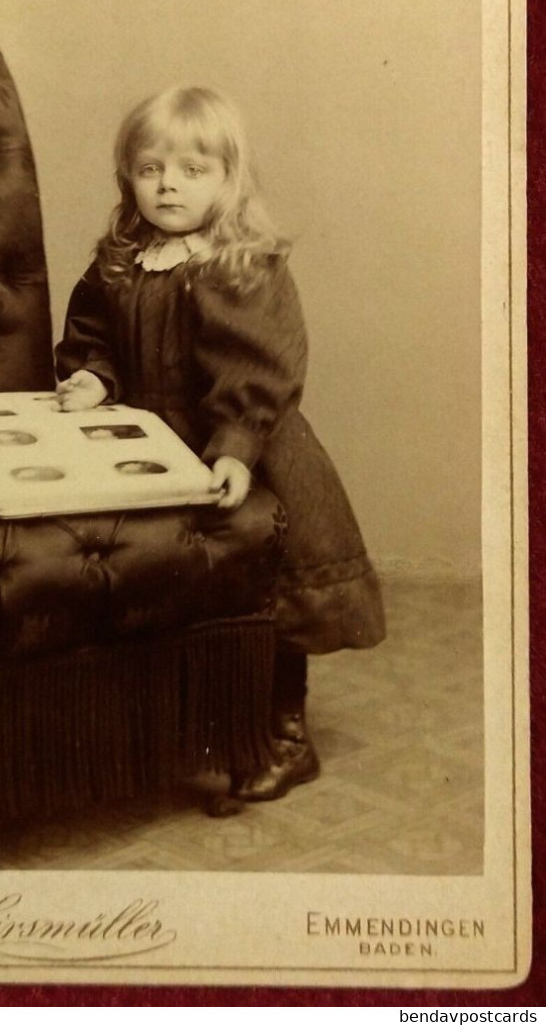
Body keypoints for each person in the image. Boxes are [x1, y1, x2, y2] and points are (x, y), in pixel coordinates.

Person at [54, 86, 386, 801]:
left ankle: (285, 734)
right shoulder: (122, 260)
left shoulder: (240, 264)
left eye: (192, 169)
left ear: (229, 181)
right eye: (150, 169)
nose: (168, 184)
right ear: (129, 178)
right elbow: (94, 335)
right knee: (181, 591)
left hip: (242, 448)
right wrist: (90, 377)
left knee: (266, 589)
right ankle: (195, 723)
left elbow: (260, 368)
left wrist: (234, 445)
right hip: (152, 443)